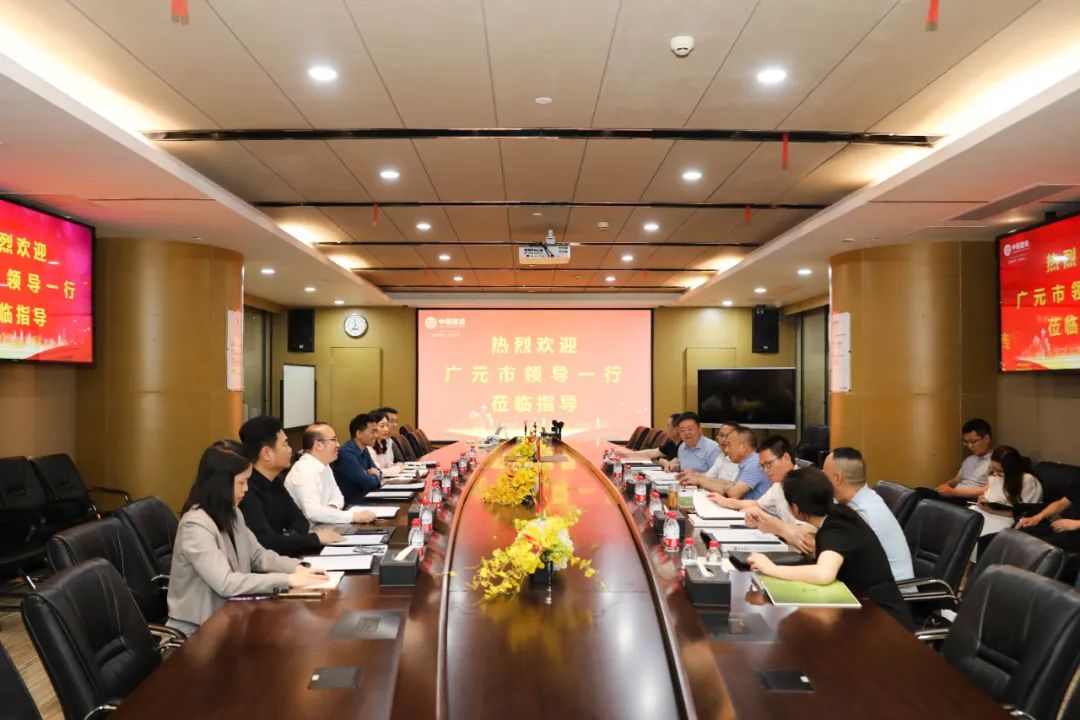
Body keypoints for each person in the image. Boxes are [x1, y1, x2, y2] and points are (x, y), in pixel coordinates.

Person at [166, 442, 326, 634]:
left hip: (231, 617)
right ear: (221, 484)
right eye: (241, 483)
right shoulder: (195, 525)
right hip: (198, 630)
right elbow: (226, 583)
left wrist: (298, 567)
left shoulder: (233, 512)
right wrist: (288, 579)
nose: (246, 489)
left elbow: (258, 556)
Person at [747, 467, 914, 629]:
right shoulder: (838, 514)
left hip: (882, 620)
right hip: (859, 609)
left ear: (794, 508)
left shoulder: (836, 528)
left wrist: (771, 568)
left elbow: (824, 574)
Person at [238, 415, 344, 557]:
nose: (290, 450)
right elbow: (267, 543)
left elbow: (300, 522)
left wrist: (287, 538)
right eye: (285, 444)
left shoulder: (275, 482)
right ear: (266, 453)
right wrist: (314, 538)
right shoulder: (247, 490)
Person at [823, 448, 914, 582]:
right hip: (872, 581)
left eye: (824, 476)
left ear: (837, 478)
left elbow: (838, 560)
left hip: (892, 591)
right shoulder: (859, 499)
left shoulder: (865, 513)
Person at [715, 435, 816, 554]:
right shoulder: (779, 485)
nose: (766, 470)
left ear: (786, 458)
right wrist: (730, 503)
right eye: (762, 466)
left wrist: (772, 524)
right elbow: (758, 504)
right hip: (788, 547)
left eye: (769, 463)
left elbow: (809, 538)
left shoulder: (806, 485)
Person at [285, 422, 376, 526]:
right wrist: (353, 516)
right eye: (333, 440)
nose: (338, 445)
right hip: (310, 532)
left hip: (326, 525)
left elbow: (338, 497)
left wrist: (330, 510)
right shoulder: (303, 470)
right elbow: (313, 512)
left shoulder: (325, 464)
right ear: (318, 445)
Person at [1015, 473, 1080, 584]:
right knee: (1025, 530)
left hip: (1075, 527)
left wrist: (1076, 524)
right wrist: (1037, 517)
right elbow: (1063, 502)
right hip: (1067, 521)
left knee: (1046, 545)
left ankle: (1030, 585)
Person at [701, 426, 769, 501]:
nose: (726, 450)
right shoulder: (748, 462)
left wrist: (727, 487)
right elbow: (731, 487)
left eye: (729, 445)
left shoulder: (754, 463)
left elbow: (733, 494)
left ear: (743, 447)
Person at [933, 418, 993, 500]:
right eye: (966, 442)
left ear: (986, 438)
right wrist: (945, 486)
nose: (969, 446)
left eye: (973, 442)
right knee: (921, 492)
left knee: (923, 499)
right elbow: (955, 481)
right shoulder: (969, 459)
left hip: (968, 500)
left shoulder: (996, 460)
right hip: (955, 496)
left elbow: (991, 489)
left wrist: (954, 492)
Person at [333, 413, 384, 504]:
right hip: (352, 503)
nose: (376, 435)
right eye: (373, 432)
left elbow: (378, 471)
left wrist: (373, 474)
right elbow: (368, 482)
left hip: (366, 497)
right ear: (359, 434)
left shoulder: (364, 449)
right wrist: (374, 475)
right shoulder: (346, 453)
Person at [678, 421, 739, 488]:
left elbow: (732, 487)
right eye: (721, 435)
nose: (724, 439)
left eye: (728, 436)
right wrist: (691, 475)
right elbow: (709, 476)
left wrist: (699, 480)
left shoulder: (740, 460)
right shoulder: (721, 456)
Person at [978, 445, 1042, 507]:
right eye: (993, 468)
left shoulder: (1027, 479)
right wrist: (985, 499)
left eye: (1000, 471)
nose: (995, 473)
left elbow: (1024, 509)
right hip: (991, 512)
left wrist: (992, 507)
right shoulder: (996, 475)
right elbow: (991, 496)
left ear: (1012, 469)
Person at [615, 413, 681, 469]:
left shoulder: (684, 446)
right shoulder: (671, 443)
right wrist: (628, 454)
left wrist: (662, 461)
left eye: (668, 426)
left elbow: (672, 465)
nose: (665, 429)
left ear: (676, 430)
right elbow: (652, 453)